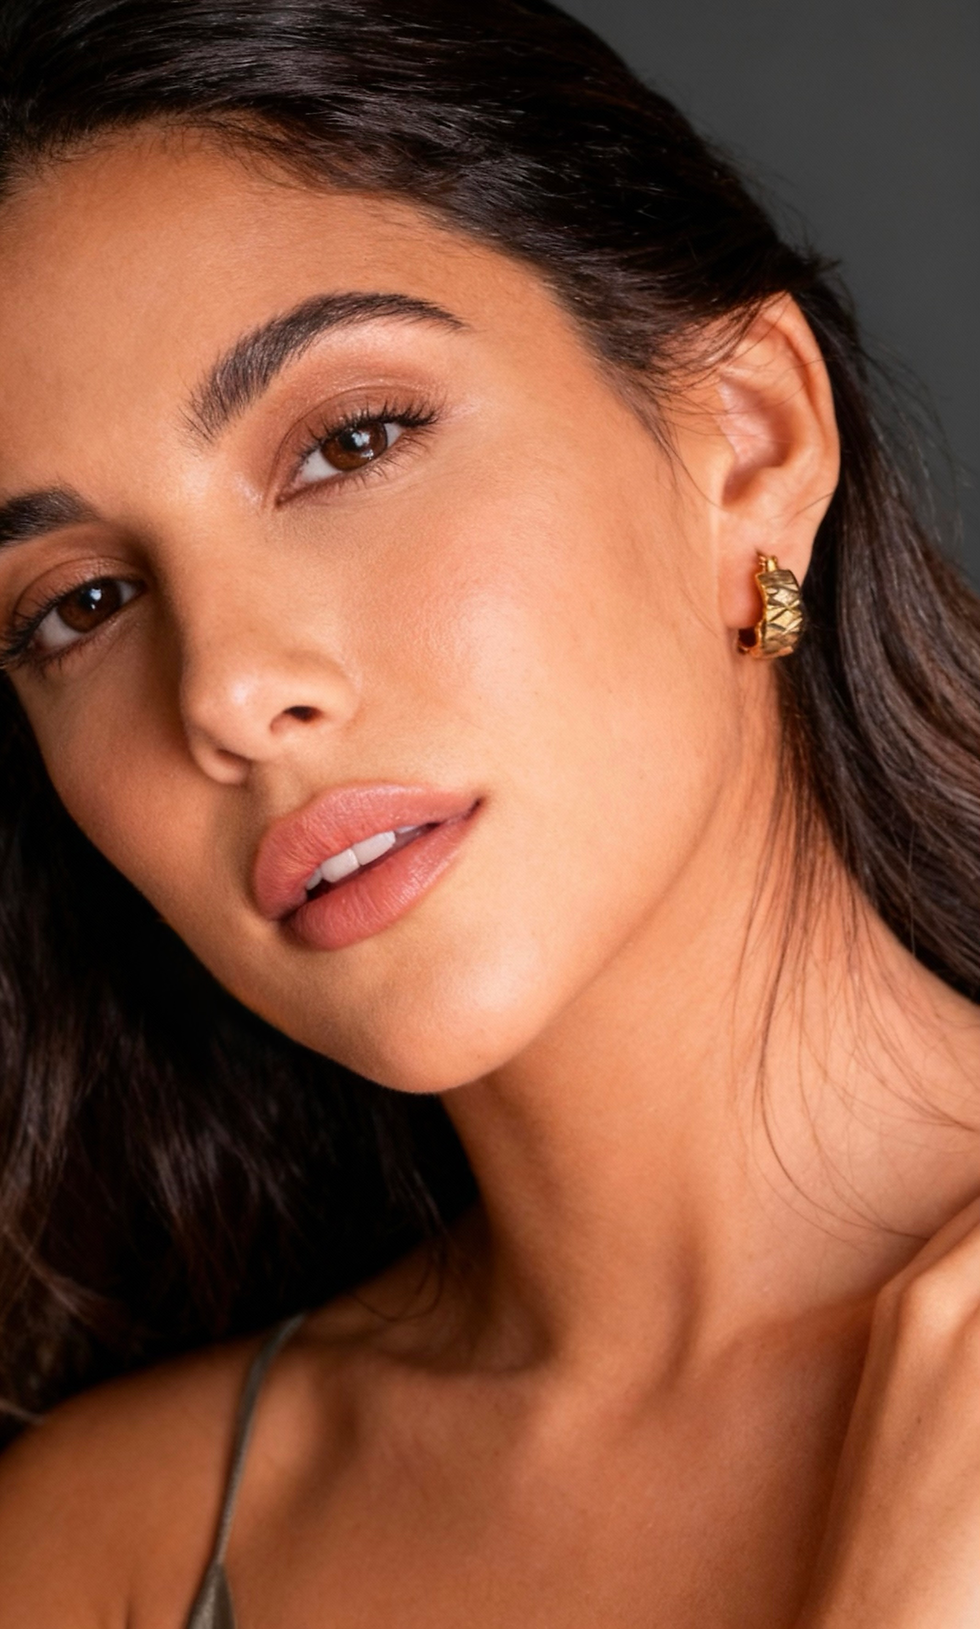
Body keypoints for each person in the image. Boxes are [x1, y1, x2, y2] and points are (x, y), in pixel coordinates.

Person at [0, 0, 978, 1623]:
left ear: (750, 442)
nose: (226, 690)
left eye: (351, 442)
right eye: (80, 604)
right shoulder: (108, 1552)